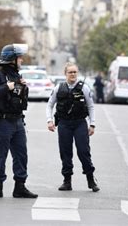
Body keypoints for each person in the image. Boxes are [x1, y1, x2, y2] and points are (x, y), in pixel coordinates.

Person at [0, 43, 38, 199]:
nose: (22, 60)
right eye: (19, 57)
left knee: (21, 155)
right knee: (0, 155)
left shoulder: (18, 77)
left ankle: (20, 187)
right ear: (12, 59)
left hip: (18, 121)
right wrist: (5, 88)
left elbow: (20, 99)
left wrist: (23, 88)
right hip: (3, 122)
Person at [46, 62, 99, 192]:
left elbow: (91, 106)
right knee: (65, 152)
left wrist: (92, 124)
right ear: (65, 74)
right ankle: (67, 181)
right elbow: (50, 105)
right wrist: (49, 120)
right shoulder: (59, 87)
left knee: (83, 151)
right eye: (70, 72)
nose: (73, 74)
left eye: (75, 72)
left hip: (80, 123)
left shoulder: (84, 88)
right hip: (64, 124)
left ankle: (90, 179)